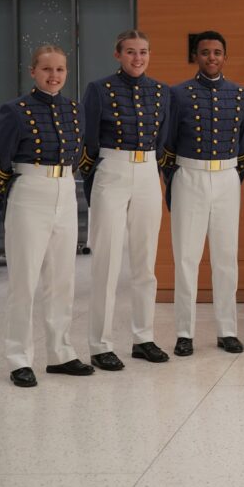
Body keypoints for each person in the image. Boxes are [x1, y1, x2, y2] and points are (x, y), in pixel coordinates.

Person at [0, 46, 95, 387]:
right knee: (24, 282)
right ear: (33, 71)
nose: (54, 75)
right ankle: (19, 358)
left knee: (62, 280)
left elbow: (78, 153)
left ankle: (60, 353)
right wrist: (8, 203)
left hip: (65, 189)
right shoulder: (15, 110)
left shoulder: (73, 110)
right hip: (29, 191)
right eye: (47, 69)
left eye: (60, 69)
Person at [80, 30, 170, 371]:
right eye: (131, 52)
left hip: (147, 170)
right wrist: (95, 183)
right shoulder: (99, 90)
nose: (138, 58)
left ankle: (143, 338)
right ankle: (100, 344)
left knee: (145, 262)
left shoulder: (160, 91)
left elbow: (162, 136)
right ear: (118, 54)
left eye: (143, 52)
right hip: (111, 169)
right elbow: (87, 140)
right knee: (106, 260)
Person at [162, 31, 244, 357]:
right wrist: (174, 183)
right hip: (189, 176)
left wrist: (230, 176)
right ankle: (184, 333)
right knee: (186, 258)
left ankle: (227, 330)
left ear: (224, 56)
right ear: (196, 57)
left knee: (226, 258)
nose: (211, 57)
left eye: (217, 52)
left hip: (227, 178)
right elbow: (167, 144)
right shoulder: (178, 94)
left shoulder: (242, 95)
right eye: (205, 53)